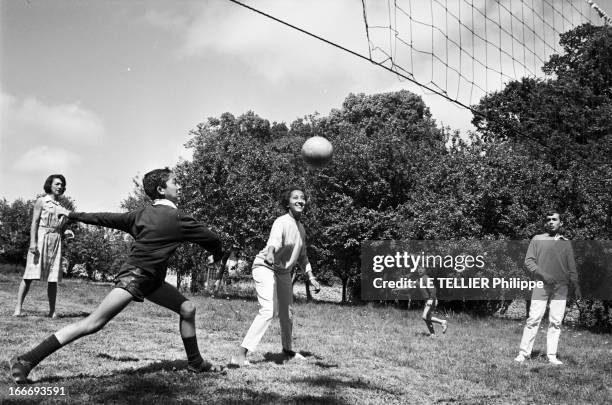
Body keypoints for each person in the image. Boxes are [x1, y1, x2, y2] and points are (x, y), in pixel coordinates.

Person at [10, 168, 225, 384]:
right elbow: (213, 239)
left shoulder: (140, 214)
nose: (179, 186)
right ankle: (26, 360)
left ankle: (196, 363)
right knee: (92, 324)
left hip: (152, 281)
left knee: (187, 308)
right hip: (135, 278)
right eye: (174, 182)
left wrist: (72, 215)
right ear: (161, 189)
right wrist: (216, 256)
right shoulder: (179, 218)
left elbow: (104, 218)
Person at [229, 187, 321, 367]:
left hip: (283, 272)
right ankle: (240, 354)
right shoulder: (281, 222)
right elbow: (274, 241)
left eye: (303, 198)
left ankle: (287, 350)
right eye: (295, 198)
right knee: (269, 310)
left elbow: (302, 257)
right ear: (288, 203)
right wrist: (270, 253)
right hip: (265, 265)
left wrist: (311, 276)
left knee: (287, 312)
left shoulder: (301, 229)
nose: (300, 200)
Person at [514, 211, 581, 366]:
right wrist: (544, 275)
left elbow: (571, 267)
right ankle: (523, 354)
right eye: (548, 219)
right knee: (533, 319)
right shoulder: (537, 239)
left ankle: (551, 356)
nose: (551, 222)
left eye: (554, 219)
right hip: (541, 285)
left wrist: (576, 285)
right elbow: (529, 261)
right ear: (545, 223)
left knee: (556, 321)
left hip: (561, 287)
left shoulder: (566, 243)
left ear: (561, 223)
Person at [13, 174, 71, 318]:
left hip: (56, 241)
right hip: (41, 238)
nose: (60, 186)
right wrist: (33, 242)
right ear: (50, 185)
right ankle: (18, 309)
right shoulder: (41, 201)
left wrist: (66, 231)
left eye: (62, 184)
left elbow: (60, 227)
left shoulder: (62, 207)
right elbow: (34, 222)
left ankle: (52, 311)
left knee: (53, 278)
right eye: (57, 184)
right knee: (29, 275)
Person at [418, 267, 448, 336]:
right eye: (418, 268)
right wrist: (397, 289)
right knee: (427, 317)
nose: (420, 269)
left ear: (425, 270)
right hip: (428, 300)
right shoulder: (418, 280)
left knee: (424, 316)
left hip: (431, 300)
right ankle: (432, 334)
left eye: (422, 268)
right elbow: (409, 287)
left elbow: (433, 290)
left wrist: (431, 300)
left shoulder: (426, 278)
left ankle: (442, 322)